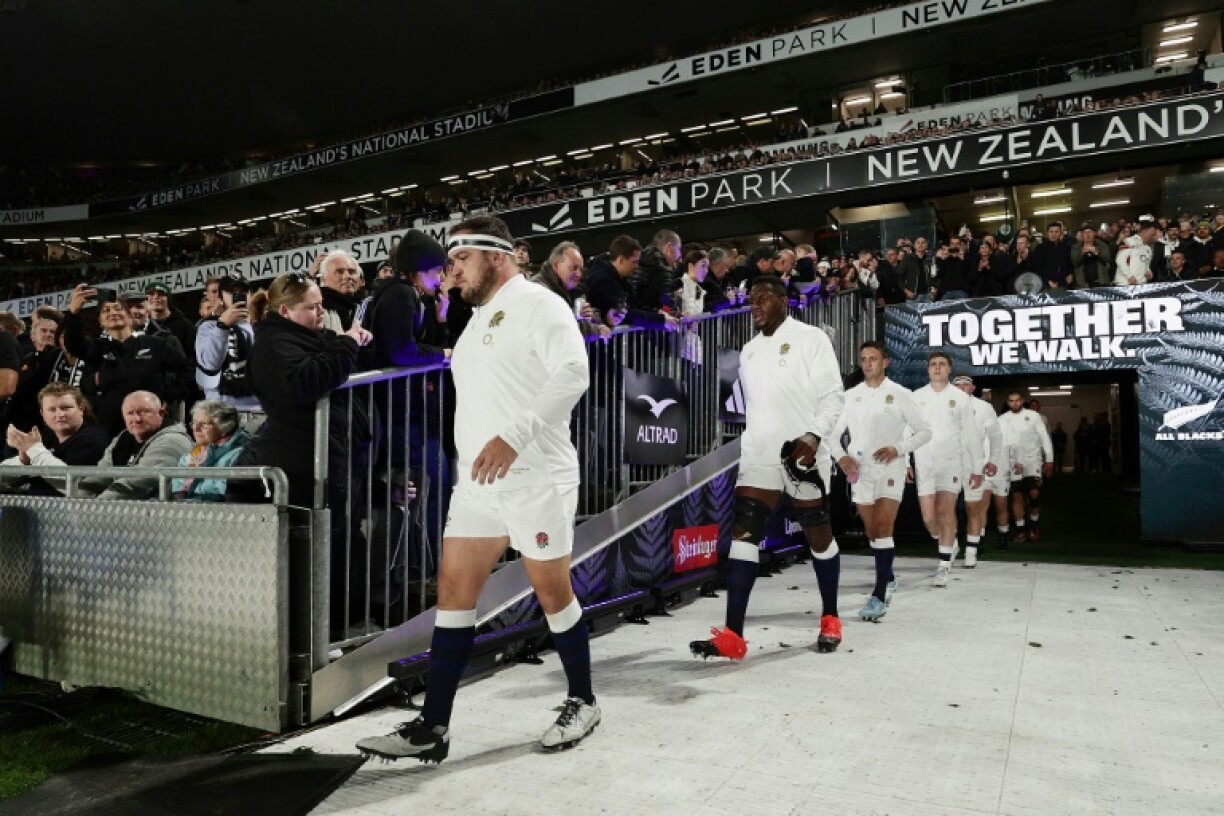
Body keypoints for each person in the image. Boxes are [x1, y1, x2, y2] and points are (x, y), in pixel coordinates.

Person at [356, 215, 597, 763]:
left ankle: (583, 699)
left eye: (459, 261)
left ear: (496, 255)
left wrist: (514, 436)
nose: (449, 274)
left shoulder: (539, 304)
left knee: (552, 594)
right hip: (479, 483)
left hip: (536, 476)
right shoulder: (477, 316)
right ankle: (432, 727)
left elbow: (573, 372)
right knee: (453, 592)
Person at [690, 275, 846, 658]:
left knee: (818, 537)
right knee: (743, 537)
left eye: (762, 299)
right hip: (760, 455)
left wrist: (814, 436)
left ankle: (830, 617)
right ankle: (733, 636)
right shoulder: (748, 351)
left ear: (782, 300)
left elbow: (832, 397)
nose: (754, 306)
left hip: (803, 455)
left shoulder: (812, 339)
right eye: (751, 300)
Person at [236, 272, 372, 633]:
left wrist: (356, 341)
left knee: (338, 543)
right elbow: (304, 382)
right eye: (312, 308)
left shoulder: (303, 336)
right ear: (285, 311)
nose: (320, 313)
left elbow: (334, 350)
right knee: (313, 553)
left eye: (321, 305)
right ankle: (310, 635)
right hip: (300, 463)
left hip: (331, 456)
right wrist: (346, 346)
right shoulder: (271, 345)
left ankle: (336, 628)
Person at [830, 342, 930, 621]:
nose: (868, 364)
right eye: (863, 359)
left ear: (885, 362)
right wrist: (841, 457)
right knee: (872, 530)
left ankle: (878, 595)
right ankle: (888, 574)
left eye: (873, 359)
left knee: (884, 527)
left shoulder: (901, 394)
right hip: (860, 471)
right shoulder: (850, 396)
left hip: (890, 467)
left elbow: (924, 432)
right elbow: (831, 434)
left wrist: (898, 449)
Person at [63, 284, 195, 437]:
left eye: (118, 309)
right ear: (101, 321)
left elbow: (189, 369)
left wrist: (169, 397)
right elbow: (73, 345)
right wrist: (73, 313)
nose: (113, 313)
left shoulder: (156, 344)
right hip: (110, 428)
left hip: (151, 427)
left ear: (129, 315)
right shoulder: (98, 348)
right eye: (106, 310)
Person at [909, 352, 985, 587]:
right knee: (929, 518)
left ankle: (943, 565)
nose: (937, 368)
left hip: (951, 463)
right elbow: (906, 431)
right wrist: (904, 462)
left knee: (945, 511)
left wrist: (976, 468)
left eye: (942, 364)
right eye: (933, 364)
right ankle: (949, 543)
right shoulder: (916, 397)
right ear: (928, 370)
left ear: (949, 369)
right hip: (924, 463)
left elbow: (971, 435)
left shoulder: (959, 398)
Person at [76, 391, 193, 500]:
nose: (137, 419)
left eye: (143, 412)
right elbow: (100, 476)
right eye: (130, 413)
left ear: (161, 414)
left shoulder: (172, 440)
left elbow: (139, 483)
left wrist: (96, 507)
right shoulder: (123, 438)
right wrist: (75, 501)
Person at [1, 383, 110, 495]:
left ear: (81, 408)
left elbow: (74, 486)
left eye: (66, 408)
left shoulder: (94, 439)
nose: (60, 414)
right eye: (52, 410)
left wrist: (34, 450)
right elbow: (3, 479)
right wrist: (23, 460)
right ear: (42, 414)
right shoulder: (46, 435)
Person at [953, 376, 1003, 567]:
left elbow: (995, 437)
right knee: (944, 510)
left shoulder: (983, 407)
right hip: (949, 465)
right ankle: (953, 545)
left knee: (973, 508)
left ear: (972, 388)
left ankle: (972, 551)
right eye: (957, 385)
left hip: (975, 465)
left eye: (965, 385)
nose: (961, 388)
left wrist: (992, 461)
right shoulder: (943, 405)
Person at [998, 391, 1054, 543]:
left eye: (1017, 400)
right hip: (1013, 462)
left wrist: (1049, 459)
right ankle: (1021, 529)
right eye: (1011, 400)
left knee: (1034, 493)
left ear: (1022, 401)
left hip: (1033, 460)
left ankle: (1034, 525)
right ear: (1008, 402)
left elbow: (1044, 437)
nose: (1015, 403)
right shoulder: (1002, 419)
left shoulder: (1034, 416)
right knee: (1017, 496)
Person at [172, 400, 252, 501]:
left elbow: (222, 496)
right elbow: (175, 493)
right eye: (194, 423)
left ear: (224, 429)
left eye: (204, 424)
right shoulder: (188, 458)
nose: (196, 429)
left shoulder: (239, 456)